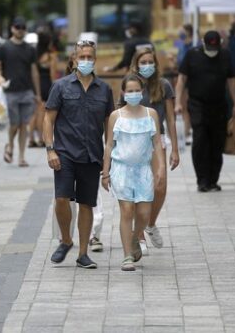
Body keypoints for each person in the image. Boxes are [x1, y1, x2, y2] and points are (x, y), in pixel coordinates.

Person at [44, 40, 114, 269]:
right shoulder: (61, 86)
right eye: (82, 57)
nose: (86, 61)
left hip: (91, 155)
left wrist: (108, 157)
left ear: (95, 60)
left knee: (86, 203)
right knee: (62, 198)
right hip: (64, 152)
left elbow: (109, 124)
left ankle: (83, 253)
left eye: (90, 57)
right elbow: (48, 118)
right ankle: (66, 239)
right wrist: (50, 149)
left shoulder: (104, 89)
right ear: (74, 60)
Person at [101, 75, 165, 271]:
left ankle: (137, 237)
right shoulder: (116, 116)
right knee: (127, 211)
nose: (133, 94)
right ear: (123, 93)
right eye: (129, 91)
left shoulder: (150, 114)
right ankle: (127, 255)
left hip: (144, 169)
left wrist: (160, 166)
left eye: (137, 90)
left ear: (142, 91)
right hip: (121, 169)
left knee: (144, 213)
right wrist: (105, 172)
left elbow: (156, 142)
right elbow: (109, 144)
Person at [127, 47, 179, 253]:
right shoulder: (131, 84)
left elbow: (171, 118)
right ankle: (138, 235)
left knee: (160, 186)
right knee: (140, 188)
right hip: (135, 140)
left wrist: (175, 149)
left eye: (150, 62)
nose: (147, 66)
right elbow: (120, 112)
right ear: (136, 63)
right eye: (143, 62)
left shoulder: (164, 85)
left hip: (158, 139)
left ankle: (150, 223)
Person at [175, 31, 235, 192]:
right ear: (203, 43)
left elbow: (231, 81)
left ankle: (213, 180)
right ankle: (202, 180)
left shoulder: (225, 55)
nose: (213, 49)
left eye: (215, 46)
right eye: (210, 46)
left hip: (219, 105)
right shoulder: (192, 55)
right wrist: (177, 102)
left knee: (217, 143)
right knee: (201, 140)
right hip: (198, 105)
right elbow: (181, 80)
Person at [0, 16, 42, 167]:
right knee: (14, 124)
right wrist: (0, 77)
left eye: (22, 27)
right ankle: (10, 145)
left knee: (24, 125)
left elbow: (34, 71)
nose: (20, 30)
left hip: (27, 91)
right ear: (12, 28)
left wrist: (38, 93)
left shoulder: (30, 49)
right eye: (17, 27)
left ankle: (21, 156)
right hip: (10, 91)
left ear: (25, 30)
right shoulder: (4, 47)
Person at [28, 30, 57, 148]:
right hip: (46, 84)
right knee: (42, 112)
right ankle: (41, 138)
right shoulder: (50, 56)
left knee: (34, 113)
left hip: (34, 84)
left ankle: (31, 138)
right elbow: (53, 74)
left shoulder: (34, 54)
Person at [176, 24, 194, 146]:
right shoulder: (181, 45)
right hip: (181, 76)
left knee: (187, 107)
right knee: (182, 106)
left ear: (188, 32)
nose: (179, 33)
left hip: (190, 79)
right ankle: (186, 132)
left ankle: (188, 132)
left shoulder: (194, 45)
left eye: (181, 31)